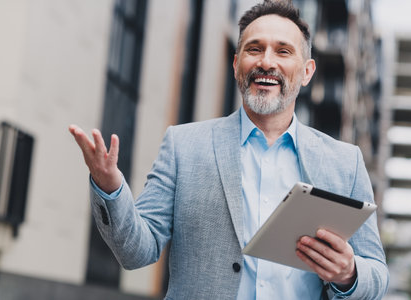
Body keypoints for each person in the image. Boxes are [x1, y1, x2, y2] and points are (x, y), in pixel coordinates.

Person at [69, 0, 389, 299]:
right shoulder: (183, 146)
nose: (266, 61)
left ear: (306, 72)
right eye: (254, 49)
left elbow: (377, 271)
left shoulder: (345, 162)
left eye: (283, 51)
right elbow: (137, 251)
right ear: (237, 65)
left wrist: (349, 272)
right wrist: (109, 186)